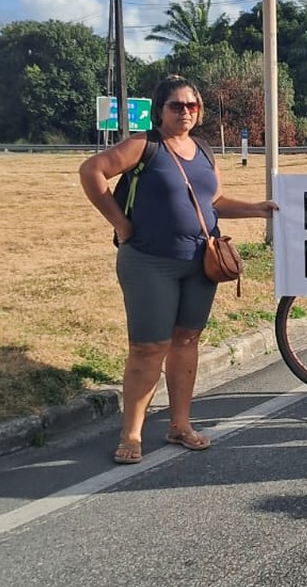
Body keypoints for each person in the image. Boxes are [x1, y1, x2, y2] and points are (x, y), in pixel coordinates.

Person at [79, 76, 277, 463]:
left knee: (186, 340)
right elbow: (92, 172)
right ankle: (132, 435)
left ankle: (179, 425)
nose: (185, 111)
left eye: (191, 105)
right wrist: (120, 224)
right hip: (150, 262)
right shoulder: (144, 145)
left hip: (199, 263)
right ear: (160, 111)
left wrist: (257, 207)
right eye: (176, 105)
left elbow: (214, 200)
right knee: (148, 348)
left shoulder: (203, 150)